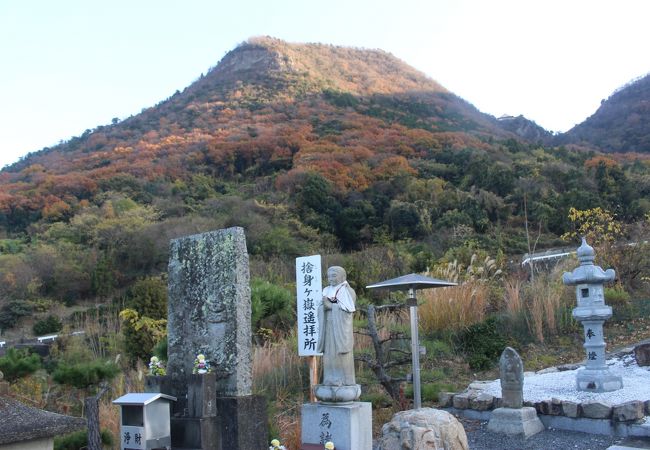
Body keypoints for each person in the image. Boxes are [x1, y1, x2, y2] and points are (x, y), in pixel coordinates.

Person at [317, 266, 356, 387]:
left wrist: (331, 306)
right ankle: (329, 378)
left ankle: (344, 380)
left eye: (334, 275)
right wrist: (323, 307)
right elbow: (320, 307)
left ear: (343, 277)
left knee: (340, 354)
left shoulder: (348, 291)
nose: (330, 278)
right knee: (329, 353)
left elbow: (348, 311)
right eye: (329, 276)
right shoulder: (326, 290)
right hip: (328, 326)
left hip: (340, 328)